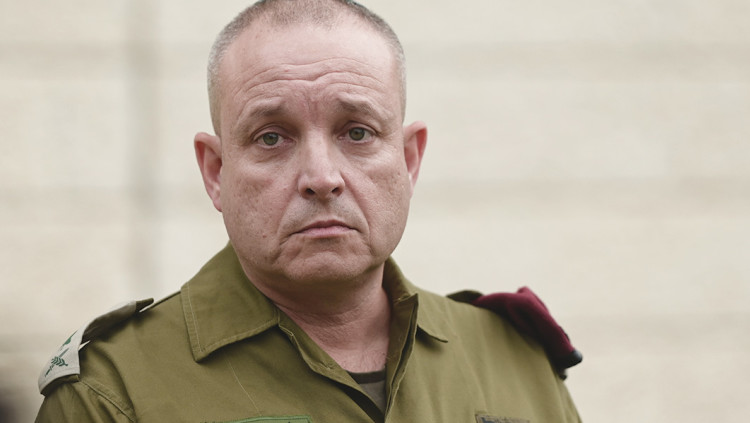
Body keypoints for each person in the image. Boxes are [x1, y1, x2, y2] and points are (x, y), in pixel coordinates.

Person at [36, 0, 582, 421]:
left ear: (409, 160)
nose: (322, 178)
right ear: (216, 172)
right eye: (271, 137)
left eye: (357, 132)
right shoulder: (113, 393)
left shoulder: (515, 364)